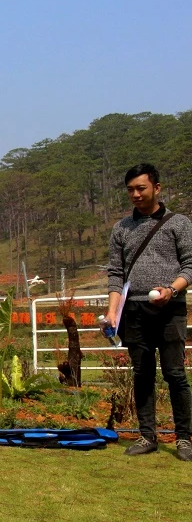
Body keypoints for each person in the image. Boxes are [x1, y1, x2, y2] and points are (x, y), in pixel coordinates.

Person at [106, 163, 192, 461]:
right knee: (142, 373)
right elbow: (116, 275)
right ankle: (147, 435)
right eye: (130, 189)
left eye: (141, 188)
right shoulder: (121, 228)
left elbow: (190, 266)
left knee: (175, 374)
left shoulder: (179, 223)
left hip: (171, 310)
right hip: (134, 310)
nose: (135, 194)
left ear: (157, 188)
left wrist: (172, 289)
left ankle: (183, 439)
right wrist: (111, 314)